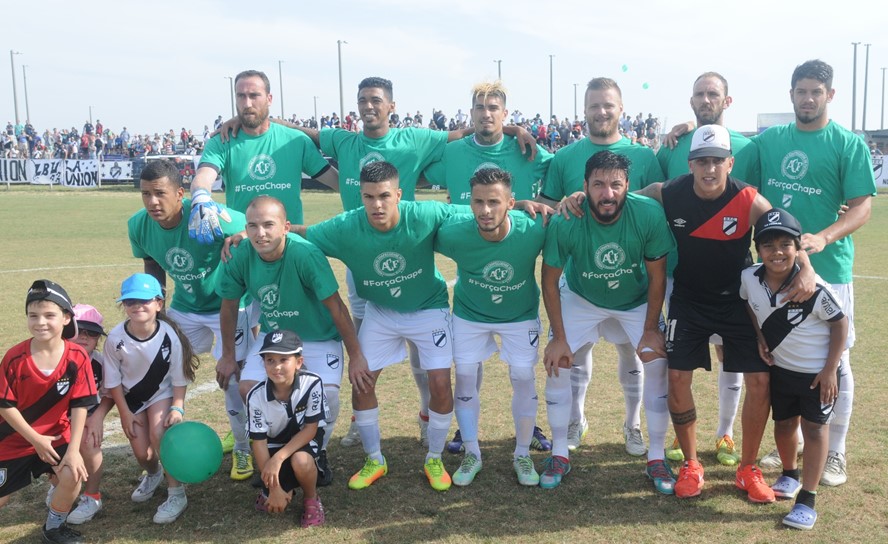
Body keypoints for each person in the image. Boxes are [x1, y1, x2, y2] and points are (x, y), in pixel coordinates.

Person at [637, 124, 814, 502]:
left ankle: (747, 467)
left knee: (760, 382)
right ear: (690, 164)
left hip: (739, 302)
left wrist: (808, 269)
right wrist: (582, 199)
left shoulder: (749, 200)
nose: (710, 168)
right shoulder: (670, 193)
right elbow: (627, 201)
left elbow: (787, 236)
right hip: (688, 298)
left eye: (717, 160)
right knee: (678, 378)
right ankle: (691, 463)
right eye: (702, 161)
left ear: (730, 163)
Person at [746, 59, 875, 486]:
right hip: (776, 268)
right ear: (791, 94)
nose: (807, 98)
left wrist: (823, 236)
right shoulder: (770, 141)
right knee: (784, 354)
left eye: (815, 92)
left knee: (837, 359)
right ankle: (794, 441)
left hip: (829, 269)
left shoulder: (847, 144)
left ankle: (835, 452)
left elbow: (862, 205)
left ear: (829, 95)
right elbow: (734, 172)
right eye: (801, 91)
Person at [297, 161, 458, 492]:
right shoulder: (346, 226)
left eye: (385, 196)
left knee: (440, 384)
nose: (377, 205)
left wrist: (525, 207)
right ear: (361, 196)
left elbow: (479, 214)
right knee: (362, 381)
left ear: (398, 194)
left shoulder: (424, 215)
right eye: (369, 197)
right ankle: (374, 459)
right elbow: (300, 234)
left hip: (429, 308)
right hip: (381, 311)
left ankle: (434, 457)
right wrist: (250, 230)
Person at [423, 81, 554, 454]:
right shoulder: (451, 152)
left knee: (523, 373)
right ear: (470, 114)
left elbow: (561, 170)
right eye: (479, 107)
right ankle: (466, 432)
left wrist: (531, 201)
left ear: (505, 113)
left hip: (515, 260)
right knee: (467, 367)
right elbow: (415, 169)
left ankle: (532, 430)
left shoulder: (527, 149)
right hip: (471, 279)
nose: (486, 113)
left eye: (494, 107)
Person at [539, 77, 666, 456]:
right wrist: (563, 204)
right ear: (585, 110)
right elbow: (548, 210)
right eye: (594, 105)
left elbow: (659, 202)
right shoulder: (564, 157)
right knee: (574, 354)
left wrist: (611, 199)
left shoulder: (644, 156)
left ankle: (633, 425)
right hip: (582, 284)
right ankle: (575, 420)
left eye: (608, 105)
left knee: (635, 352)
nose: (601, 111)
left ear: (621, 109)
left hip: (635, 286)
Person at [541, 151, 675, 492]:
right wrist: (557, 335)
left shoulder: (647, 213)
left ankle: (656, 456)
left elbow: (657, 277)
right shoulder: (566, 219)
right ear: (584, 186)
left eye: (616, 185)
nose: (608, 193)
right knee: (558, 360)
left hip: (634, 300)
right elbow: (549, 280)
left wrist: (650, 329)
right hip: (583, 297)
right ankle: (559, 452)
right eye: (598, 184)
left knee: (656, 360)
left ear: (628, 186)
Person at [216, 195, 365, 487]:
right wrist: (228, 354)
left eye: (269, 225)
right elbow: (229, 305)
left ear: (285, 227)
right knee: (248, 388)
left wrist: (356, 355)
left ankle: (316, 453)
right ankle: (275, 453)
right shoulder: (242, 253)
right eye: (253, 226)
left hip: (319, 336)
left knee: (327, 396)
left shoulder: (306, 255)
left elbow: (336, 307)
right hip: (278, 337)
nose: (261, 233)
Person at [128, 159, 256, 482]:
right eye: (145, 194)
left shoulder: (205, 213)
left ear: (181, 194)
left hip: (228, 306)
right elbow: (153, 263)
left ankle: (243, 445)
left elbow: (255, 225)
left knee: (232, 377)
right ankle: (165, 448)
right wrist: (158, 307)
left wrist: (239, 235)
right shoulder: (138, 225)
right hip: (186, 306)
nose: (152, 202)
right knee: (161, 366)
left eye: (159, 193)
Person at [655, 72, 756, 466]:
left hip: (736, 283)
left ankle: (725, 433)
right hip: (686, 281)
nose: (705, 98)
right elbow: (645, 197)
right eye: (699, 93)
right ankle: (686, 444)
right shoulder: (675, 147)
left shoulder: (752, 145)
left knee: (732, 358)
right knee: (679, 368)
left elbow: (763, 202)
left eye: (713, 93)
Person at [434, 168, 547, 486]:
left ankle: (522, 454)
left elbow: (571, 221)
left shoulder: (533, 229)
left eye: (494, 202)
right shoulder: (454, 233)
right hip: (470, 314)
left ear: (510, 203)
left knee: (523, 376)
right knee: (466, 376)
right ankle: (472, 453)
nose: (485, 210)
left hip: (520, 314)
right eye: (478, 202)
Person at [740, 208, 848, 530]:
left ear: (797, 247)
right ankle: (789, 473)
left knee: (814, 430)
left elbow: (840, 324)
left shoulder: (811, 286)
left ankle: (808, 499)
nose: (777, 252)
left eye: (785, 245)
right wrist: (761, 338)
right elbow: (748, 302)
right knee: (785, 425)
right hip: (782, 370)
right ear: (758, 250)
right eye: (768, 245)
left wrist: (830, 370)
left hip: (818, 375)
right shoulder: (749, 277)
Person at [187, 69, 338, 244]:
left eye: (254, 95)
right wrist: (201, 197)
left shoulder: (295, 141)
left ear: (269, 99)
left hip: (290, 246)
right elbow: (204, 176)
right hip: (243, 245)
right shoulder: (222, 140)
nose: (247, 103)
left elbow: (336, 181)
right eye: (241, 96)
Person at [0, 280, 97, 544]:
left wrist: (74, 451)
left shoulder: (77, 357)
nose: (40, 322)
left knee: (73, 472)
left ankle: (53, 528)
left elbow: (79, 405)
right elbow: (4, 405)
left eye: (49, 315)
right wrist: (35, 440)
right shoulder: (14, 358)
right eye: (33, 315)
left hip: (55, 437)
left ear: (66, 318)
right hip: (13, 440)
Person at [103, 273, 199, 524]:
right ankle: (154, 473)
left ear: (159, 303)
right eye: (130, 301)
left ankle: (176, 493)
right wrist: (124, 412)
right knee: (142, 453)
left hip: (161, 394)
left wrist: (177, 406)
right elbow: (112, 381)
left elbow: (179, 376)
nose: (137, 306)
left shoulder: (169, 335)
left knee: (159, 434)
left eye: (144, 300)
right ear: (123, 305)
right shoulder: (115, 338)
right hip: (132, 400)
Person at [247, 330, 326, 527]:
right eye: (270, 360)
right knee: (273, 499)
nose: (277, 367)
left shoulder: (312, 383)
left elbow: (310, 429)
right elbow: (259, 442)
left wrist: (278, 459)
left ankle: (311, 500)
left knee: (301, 461)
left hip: (303, 440)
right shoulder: (255, 396)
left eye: (284, 359)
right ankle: (274, 489)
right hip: (273, 444)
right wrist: (273, 489)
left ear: (299, 362)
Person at [64, 304, 114, 525]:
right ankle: (58, 486)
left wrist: (98, 416)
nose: (84, 337)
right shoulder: (55, 358)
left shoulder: (101, 363)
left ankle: (92, 496)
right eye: (79, 330)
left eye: (92, 333)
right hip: (58, 418)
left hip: (88, 415)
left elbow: (110, 392)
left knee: (89, 445)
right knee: (55, 455)